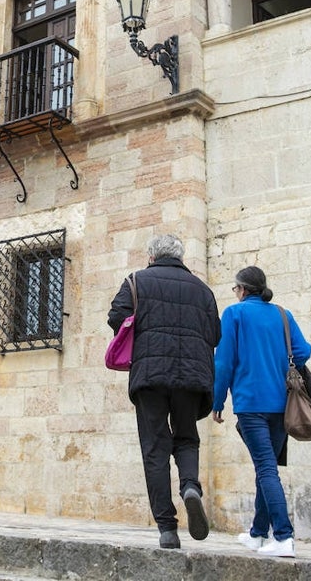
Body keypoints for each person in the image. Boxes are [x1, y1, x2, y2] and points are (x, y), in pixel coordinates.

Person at [108, 234, 220, 550]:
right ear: (180, 257)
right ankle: (190, 487)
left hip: (150, 376)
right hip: (191, 376)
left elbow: (116, 317)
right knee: (186, 437)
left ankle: (167, 529)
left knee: (155, 447)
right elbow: (215, 333)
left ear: (152, 256)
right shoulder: (203, 290)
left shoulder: (136, 281)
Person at [211, 265, 311, 559]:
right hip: (282, 404)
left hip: (251, 404)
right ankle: (257, 534)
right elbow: (303, 351)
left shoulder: (235, 314)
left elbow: (224, 362)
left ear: (242, 289)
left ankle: (283, 536)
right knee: (266, 467)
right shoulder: (282, 314)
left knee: (266, 469)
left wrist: (218, 401)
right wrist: (280, 360)